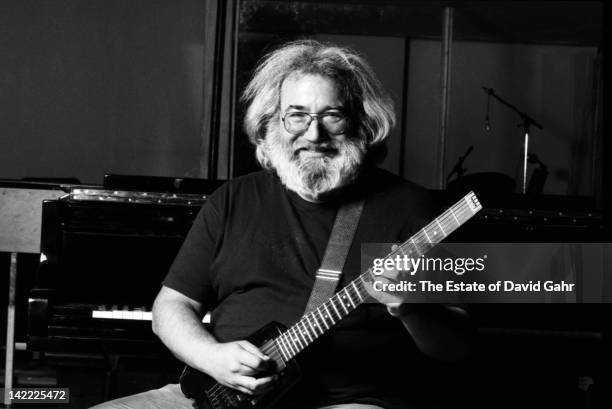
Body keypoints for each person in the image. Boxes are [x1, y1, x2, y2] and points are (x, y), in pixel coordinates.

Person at [92, 39, 472, 409]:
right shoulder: (233, 200)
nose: (314, 133)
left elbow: (459, 346)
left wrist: (412, 309)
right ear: (273, 121)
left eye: (332, 115)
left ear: (360, 120)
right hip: (219, 395)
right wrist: (211, 357)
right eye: (297, 114)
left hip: (348, 399)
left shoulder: (411, 207)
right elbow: (171, 307)